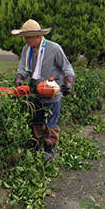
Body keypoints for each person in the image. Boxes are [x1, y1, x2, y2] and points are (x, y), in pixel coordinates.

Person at [12, 19, 75, 161]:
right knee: (37, 121)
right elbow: (24, 68)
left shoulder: (54, 49)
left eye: (28, 37)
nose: (26, 40)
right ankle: (36, 148)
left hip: (52, 92)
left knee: (51, 123)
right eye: (25, 37)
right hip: (35, 93)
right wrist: (20, 79)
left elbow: (67, 68)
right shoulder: (26, 50)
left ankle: (49, 150)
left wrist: (68, 84)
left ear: (38, 36)